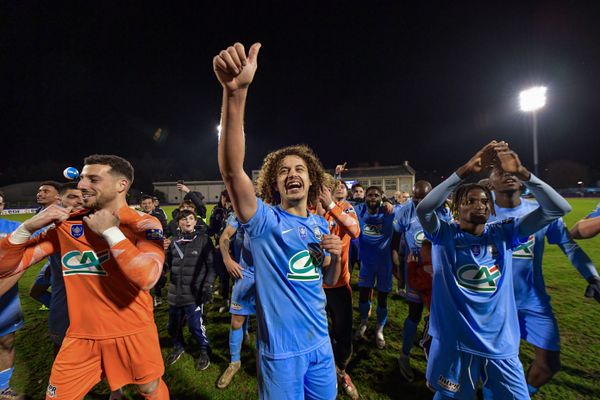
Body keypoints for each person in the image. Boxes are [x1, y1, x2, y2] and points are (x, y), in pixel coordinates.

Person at [214, 41, 342, 399]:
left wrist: (335, 256)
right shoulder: (264, 220)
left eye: (299, 168)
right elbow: (230, 170)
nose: (291, 174)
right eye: (283, 171)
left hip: (320, 345)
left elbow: (327, 279)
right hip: (281, 355)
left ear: (312, 179)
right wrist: (235, 94)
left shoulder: (319, 224)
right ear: (275, 182)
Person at [0, 154, 169, 399]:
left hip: (133, 331)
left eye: (93, 179)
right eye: (81, 178)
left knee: (149, 388)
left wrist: (110, 231)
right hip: (80, 336)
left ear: (121, 185)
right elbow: (6, 267)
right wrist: (27, 227)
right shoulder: (67, 227)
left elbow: (148, 277)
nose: (81, 185)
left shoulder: (143, 224)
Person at [416, 141, 571, 399]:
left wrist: (523, 172)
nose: (480, 205)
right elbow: (424, 209)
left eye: (484, 201)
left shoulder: (504, 233)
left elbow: (557, 208)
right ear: (457, 208)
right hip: (456, 343)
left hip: (501, 345)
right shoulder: (444, 235)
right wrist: (464, 171)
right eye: (470, 201)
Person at [488, 166, 600, 396]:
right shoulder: (479, 208)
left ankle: (523, 394)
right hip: (492, 303)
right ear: (489, 184)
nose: (507, 174)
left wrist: (592, 276)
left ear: (522, 182)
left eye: (511, 172)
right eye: (498, 172)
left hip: (532, 300)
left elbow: (569, 245)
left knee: (549, 364)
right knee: (496, 365)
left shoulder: (540, 211)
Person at [392, 180, 451, 382]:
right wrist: (397, 266)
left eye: (423, 198)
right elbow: (395, 238)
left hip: (439, 273)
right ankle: (404, 356)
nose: (419, 202)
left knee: (440, 317)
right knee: (413, 314)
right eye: (416, 198)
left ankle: (436, 355)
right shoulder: (405, 212)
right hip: (416, 271)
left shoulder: (442, 210)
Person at [317, 178, 360, 399]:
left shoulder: (345, 208)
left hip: (338, 283)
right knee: (317, 333)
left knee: (342, 332)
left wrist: (331, 206)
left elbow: (354, 231)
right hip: (313, 286)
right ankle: (323, 373)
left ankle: (342, 371)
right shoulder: (308, 209)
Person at [164, 210, 215, 371]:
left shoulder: (204, 240)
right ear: (178, 223)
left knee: (195, 326)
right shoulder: (173, 242)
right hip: (174, 293)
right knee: (172, 326)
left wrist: (208, 286)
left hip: (194, 293)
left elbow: (212, 267)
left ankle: (204, 350)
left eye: (191, 218)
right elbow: (167, 265)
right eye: (184, 219)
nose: (187, 221)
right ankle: (179, 346)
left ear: (195, 222)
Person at [354, 186, 395, 349]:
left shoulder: (390, 211)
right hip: (366, 263)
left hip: (384, 264)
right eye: (369, 195)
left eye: (376, 195)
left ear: (381, 197)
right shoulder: (358, 210)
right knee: (363, 296)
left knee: (383, 299)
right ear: (365, 197)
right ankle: (364, 322)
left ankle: (379, 329)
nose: (372, 197)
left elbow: (410, 206)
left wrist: (389, 202)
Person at [217, 213, 255, 389]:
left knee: (269, 322)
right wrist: (227, 260)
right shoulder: (240, 213)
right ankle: (234, 362)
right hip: (246, 273)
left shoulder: (278, 209)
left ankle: (267, 360)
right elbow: (225, 235)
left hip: (270, 276)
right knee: (236, 321)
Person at [0, 192, 25, 400]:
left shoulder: (14, 228)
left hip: (6, 298)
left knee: (6, 342)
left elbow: (23, 263)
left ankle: (3, 387)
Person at [29, 181, 61, 310]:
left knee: (65, 294)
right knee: (36, 292)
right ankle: (61, 312)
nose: (40, 194)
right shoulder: (39, 211)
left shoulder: (64, 214)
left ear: (58, 196)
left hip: (63, 263)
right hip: (51, 262)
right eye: (39, 191)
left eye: (46, 191)